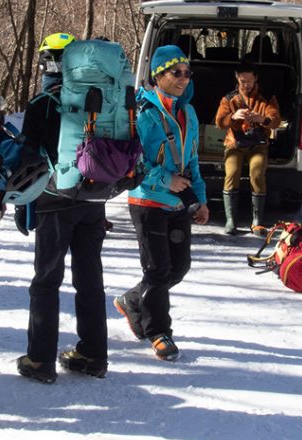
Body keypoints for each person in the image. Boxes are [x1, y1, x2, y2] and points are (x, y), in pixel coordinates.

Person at [16, 32, 109, 383]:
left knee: (46, 281)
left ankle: (40, 360)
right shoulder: (101, 97)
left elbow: (28, 159)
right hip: (94, 199)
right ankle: (93, 354)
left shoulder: (43, 102)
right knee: (90, 279)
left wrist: (21, 203)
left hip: (54, 200)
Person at [114, 45, 209, 361]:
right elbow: (135, 158)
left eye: (186, 73)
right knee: (157, 269)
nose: (183, 78)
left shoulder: (188, 112)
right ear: (158, 75)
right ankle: (158, 331)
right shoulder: (143, 111)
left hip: (178, 204)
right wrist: (166, 180)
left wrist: (200, 200)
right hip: (148, 200)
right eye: (176, 72)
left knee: (178, 267)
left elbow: (192, 159)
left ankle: (133, 298)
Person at [214, 62, 281, 235]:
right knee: (232, 172)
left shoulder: (266, 97)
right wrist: (233, 116)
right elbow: (219, 122)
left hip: (258, 145)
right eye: (243, 81)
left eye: (249, 80)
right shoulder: (229, 99)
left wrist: (262, 119)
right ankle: (231, 220)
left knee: (257, 174)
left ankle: (257, 221)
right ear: (237, 78)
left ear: (255, 78)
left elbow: (275, 120)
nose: (246, 84)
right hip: (234, 144)